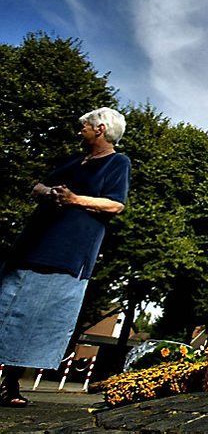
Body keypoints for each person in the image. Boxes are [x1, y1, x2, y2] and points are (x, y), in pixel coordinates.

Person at [0, 108, 130, 408]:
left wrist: (75, 200)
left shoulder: (117, 163)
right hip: (33, 245)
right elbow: (38, 186)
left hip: (70, 253)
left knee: (40, 316)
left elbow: (115, 205)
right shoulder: (73, 162)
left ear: (100, 129)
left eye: (84, 125)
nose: (79, 130)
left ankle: (10, 383)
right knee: (7, 304)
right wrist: (50, 193)